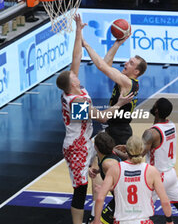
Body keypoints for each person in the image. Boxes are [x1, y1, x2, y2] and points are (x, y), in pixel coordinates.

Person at [56, 14, 133, 224]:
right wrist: (119, 105)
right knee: (79, 189)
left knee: (97, 179)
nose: (76, 74)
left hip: (86, 142)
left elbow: (76, 59)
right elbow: (102, 118)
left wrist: (79, 30)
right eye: (74, 77)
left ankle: (98, 217)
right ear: (71, 85)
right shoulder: (75, 102)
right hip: (76, 147)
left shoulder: (73, 88)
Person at [82, 34, 147, 145]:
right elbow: (106, 64)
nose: (126, 63)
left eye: (131, 63)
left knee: (113, 161)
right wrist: (117, 44)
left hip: (120, 132)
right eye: (128, 61)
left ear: (136, 72)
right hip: (116, 129)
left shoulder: (127, 82)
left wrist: (86, 45)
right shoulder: (127, 81)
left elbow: (102, 66)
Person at [92, 136, 174, 224]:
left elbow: (100, 198)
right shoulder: (151, 170)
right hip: (143, 221)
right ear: (142, 150)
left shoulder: (115, 169)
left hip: (121, 221)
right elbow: (165, 201)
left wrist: (97, 220)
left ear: (126, 150)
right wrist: (169, 221)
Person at [142, 97, 178, 224]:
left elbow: (137, 155)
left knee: (141, 212)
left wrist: (117, 151)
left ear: (156, 110)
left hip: (156, 177)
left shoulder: (151, 133)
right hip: (171, 174)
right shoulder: (171, 125)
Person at [88, 132, 121, 224]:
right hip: (119, 199)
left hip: (122, 200)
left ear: (96, 147)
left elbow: (122, 184)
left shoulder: (108, 163)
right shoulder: (104, 158)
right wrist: (98, 171)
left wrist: (105, 188)